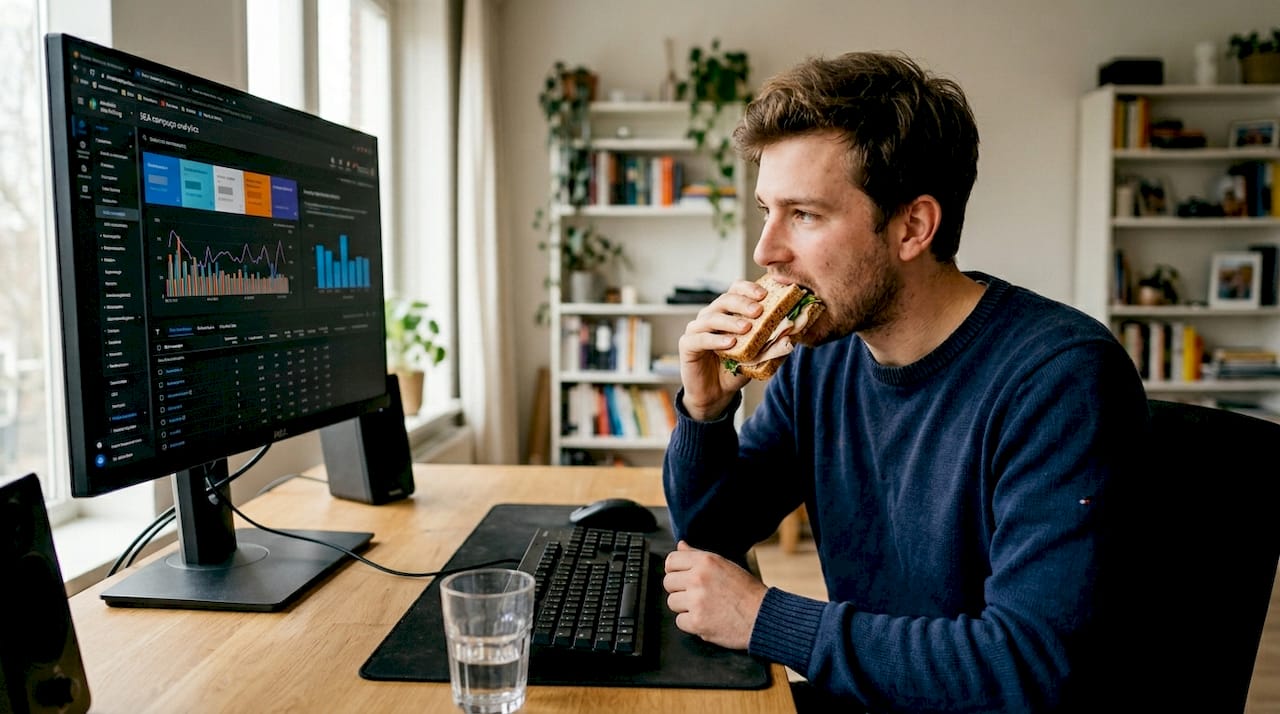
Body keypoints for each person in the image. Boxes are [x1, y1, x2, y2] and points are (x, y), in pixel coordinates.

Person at [661, 51, 1149, 712]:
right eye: (766, 211)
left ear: (913, 227)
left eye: (803, 215)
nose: (766, 251)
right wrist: (706, 411)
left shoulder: (1060, 379)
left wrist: (764, 619)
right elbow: (713, 532)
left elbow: (1029, 665)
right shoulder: (821, 358)